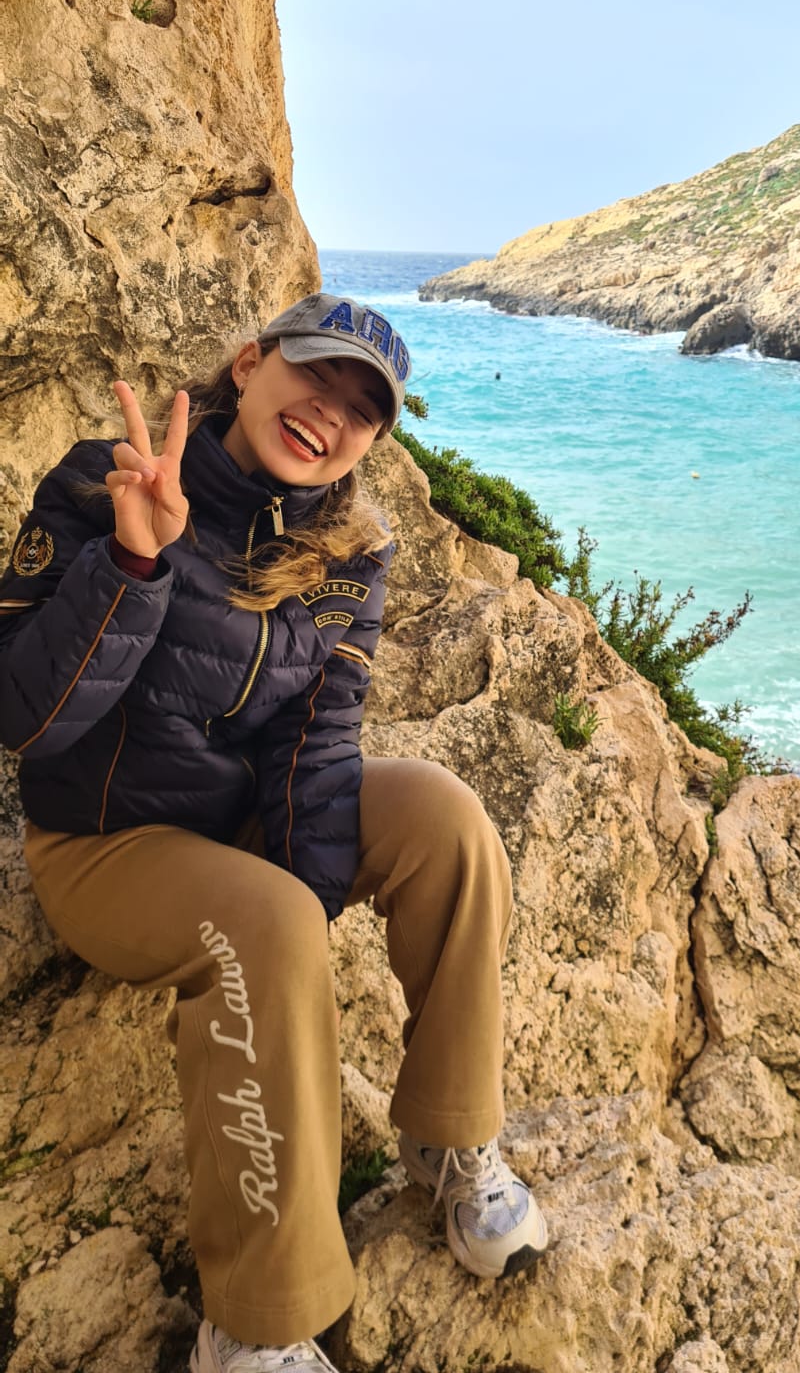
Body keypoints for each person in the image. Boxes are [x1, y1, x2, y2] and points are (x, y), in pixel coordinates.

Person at [0, 294, 547, 1373]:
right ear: (249, 365)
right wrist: (135, 563)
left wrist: (307, 894)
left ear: (372, 441)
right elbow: (25, 719)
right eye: (315, 375)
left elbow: (323, 735)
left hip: (236, 825)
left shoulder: (349, 553)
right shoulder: (104, 480)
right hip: (106, 842)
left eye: (362, 409)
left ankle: (448, 1138)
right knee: (268, 924)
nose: (329, 413)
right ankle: (252, 1325)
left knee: (446, 819)